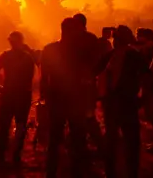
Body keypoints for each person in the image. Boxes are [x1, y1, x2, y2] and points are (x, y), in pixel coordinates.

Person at [41, 17, 90, 178]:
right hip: (75, 99)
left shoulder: (49, 49)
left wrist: (45, 98)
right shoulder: (81, 51)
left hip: (56, 99)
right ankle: (77, 172)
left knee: (54, 140)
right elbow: (87, 76)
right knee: (78, 140)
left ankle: (52, 173)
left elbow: (44, 78)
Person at [97, 25, 146, 178]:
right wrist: (142, 98)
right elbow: (147, 77)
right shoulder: (134, 55)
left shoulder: (111, 55)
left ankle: (111, 171)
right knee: (130, 140)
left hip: (114, 102)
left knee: (113, 138)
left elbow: (95, 72)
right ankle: (130, 171)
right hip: (126, 102)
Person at [0, 31, 35, 164]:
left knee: (4, 126)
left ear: (10, 42)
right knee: (20, 125)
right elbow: (30, 78)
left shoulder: (5, 56)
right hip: (22, 95)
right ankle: (16, 155)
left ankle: (0, 155)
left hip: (8, 94)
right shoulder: (27, 58)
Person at [73, 13, 104, 158]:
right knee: (81, 116)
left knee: (87, 116)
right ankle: (84, 145)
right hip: (81, 84)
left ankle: (97, 144)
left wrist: (89, 76)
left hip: (84, 85)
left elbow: (97, 61)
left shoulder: (86, 39)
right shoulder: (88, 38)